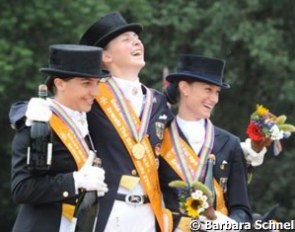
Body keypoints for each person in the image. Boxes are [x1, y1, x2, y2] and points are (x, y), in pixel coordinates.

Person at [78, 11, 173, 232]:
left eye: (137, 38)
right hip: (107, 212)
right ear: (106, 57)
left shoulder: (156, 100)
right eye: (126, 39)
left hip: (150, 214)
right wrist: (35, 111)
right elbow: (57, 106)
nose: (137, 41)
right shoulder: (92, 94)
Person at [11, 44, 109, 232]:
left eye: (97, 83)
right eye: (86, 83)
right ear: (59, 84)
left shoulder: (85, 119)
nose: (95, 92)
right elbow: (22, 189)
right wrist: (75, 181)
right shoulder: (36, 120)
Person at [159, 54, 252, 231]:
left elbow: (242, 210)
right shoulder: (159, 137)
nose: (215, 99)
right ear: (185, 87)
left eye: (217, 92)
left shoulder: (229, 143)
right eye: (208, 90)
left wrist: (228, 225)